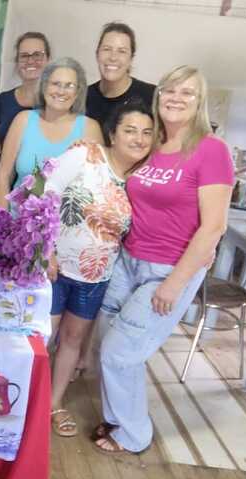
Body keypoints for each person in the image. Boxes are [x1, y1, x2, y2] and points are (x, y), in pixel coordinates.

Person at [93, 66, 234, 455]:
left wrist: (175, 284)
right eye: (169, 90)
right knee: (111, 343)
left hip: (169, 270)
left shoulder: (211, 150)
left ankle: (134, 434)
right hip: (128, 262)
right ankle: (116, 418)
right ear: (158, 96)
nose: (176, 98)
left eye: (187, 92)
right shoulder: (153, 144)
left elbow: (214, 226)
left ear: (200, 102)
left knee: (120, 353)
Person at [44, 103, 153, 437]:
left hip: (96, 276)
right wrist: (46, 251)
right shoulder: (86, 155)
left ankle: (53, 404)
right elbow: (48, 192)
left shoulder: (142, 180)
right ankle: (28, 403)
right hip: (55, 268)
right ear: (113, 134)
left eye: (147, 132)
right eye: (130, 130)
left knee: (72, 340)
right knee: (42, 337)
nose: (138, 138)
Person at [0, 58, 103, 209]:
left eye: (69, 86)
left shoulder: (90, 128)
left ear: (78, 92)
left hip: (65, 222)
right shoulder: (23, 120)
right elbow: (3, 177)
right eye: (55, 84)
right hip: (18, 220)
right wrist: (4, 220)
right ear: (44, 86)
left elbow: (99, 186)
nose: (61, 91)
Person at [0, 31, 51, 206]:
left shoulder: (57, 104)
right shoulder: (3, 101)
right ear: (17, 61)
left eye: (37, 55)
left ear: (48, 60)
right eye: (24, 56)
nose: (30, 61)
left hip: (42, 200)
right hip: (3, 194)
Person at [85, 22, 155, 127]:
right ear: (97, 54)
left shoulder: (151, 97)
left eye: (122, 51)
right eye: (107, 49)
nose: (113, 57)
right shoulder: (83, 97)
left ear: (131, 58)